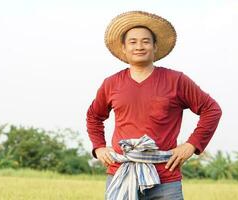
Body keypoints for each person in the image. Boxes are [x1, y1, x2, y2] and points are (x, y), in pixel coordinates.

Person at [86, 11, 222, 200]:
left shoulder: (176, 80)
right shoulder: (111, 83)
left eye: (146, 41)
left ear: (155, 47)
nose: (139, 46)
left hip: (166, 177)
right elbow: (94, 116)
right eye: (133, 42)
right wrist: (99, 147)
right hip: (121, 173)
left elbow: (212, 110)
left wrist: (192, 145)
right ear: (124, 48)